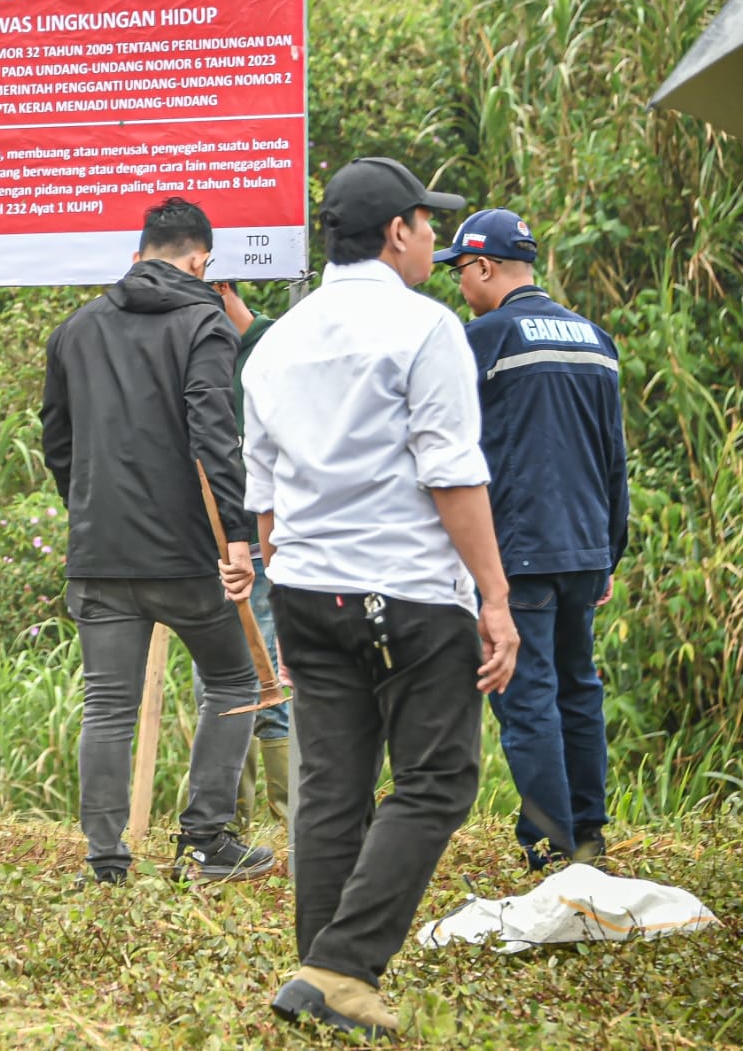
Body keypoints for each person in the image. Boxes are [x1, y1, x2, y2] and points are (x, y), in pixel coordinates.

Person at [242, 157, 520, 1040]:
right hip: (405, 590)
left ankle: (316, 973)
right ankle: (343, 965)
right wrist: (496, 596)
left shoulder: (276, 341)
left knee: (333, 785)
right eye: (428, 224)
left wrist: (290, 581)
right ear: (396, 232)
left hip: (307, 589)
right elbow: (451, 471)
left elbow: (265, 495)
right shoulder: (425, 327)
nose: (436, 240)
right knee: (440, 776)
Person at [42, 197, 274, 886]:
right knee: (235, 680)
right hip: (184, 555)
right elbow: (214, 434)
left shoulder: (76, 328)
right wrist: (235, 535)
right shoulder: (206, 322)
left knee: (106, 704)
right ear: (201, 260)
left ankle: (106, 861)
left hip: (101, 552)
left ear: (137, 251)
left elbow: (57, 440)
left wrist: (89, 510)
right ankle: (205, 842)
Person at [436, 208, 628, 871]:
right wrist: (610, 551)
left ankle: (549, 838)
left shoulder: (483, 339)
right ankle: (588, 831)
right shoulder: (595, 338)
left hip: (517, 550)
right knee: (578, 685)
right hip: (584, 547)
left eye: (460, 271)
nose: (460, 285)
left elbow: (453, 453)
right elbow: (614, 457)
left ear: (484, 266)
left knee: (527, 694)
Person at [207, 280, 288, 835]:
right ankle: (226, 823)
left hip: (267, 538)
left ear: (219, 287)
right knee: (216, 677)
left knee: (270, 675)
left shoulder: (277, 347)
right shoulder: (197, 350)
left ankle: (290, 819)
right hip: (210, 542)